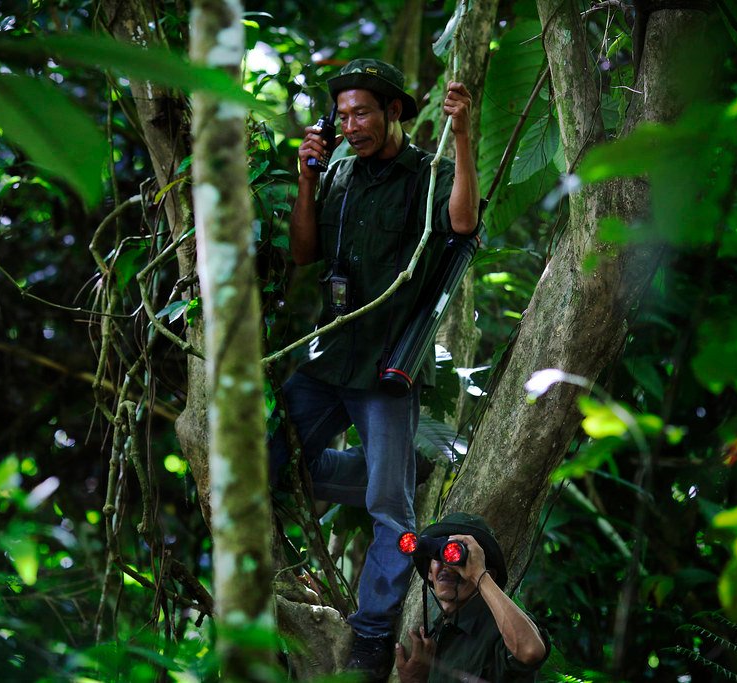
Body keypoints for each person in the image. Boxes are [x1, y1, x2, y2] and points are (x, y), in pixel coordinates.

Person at [269, 58, 480, 681]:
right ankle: (391, 472)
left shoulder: (426, 173)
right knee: (267, 461)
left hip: (387, 366)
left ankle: (369, 633)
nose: (351, 124)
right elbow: (305, 253)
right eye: (343, 115)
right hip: (327, 356)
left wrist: (463, 135)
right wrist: (307, 180)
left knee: (393, 517)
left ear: (393, 113)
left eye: (362, 112)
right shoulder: (339, 175)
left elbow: (463, 222)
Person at [395, 513, 551, 682]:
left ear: (488, 574)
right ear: (429, 573)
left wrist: (479, 576)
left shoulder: (498, 628)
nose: (447, 566)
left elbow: (530, 650)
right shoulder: (437, 633)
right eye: (437, 556)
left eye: (457, 559)